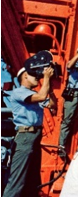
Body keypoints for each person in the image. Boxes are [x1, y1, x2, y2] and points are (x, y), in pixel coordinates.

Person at [2, 60, 53, 197]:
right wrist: (46, 78)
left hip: (35, 137)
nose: (37, 77)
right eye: (33, 75)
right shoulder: (19, 92)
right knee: (17, 181)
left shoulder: (35, 94)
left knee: (32, 181)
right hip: (25, 137)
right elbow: (42, 96)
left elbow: (52, 106)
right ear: (24, 76)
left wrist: (51, 86)